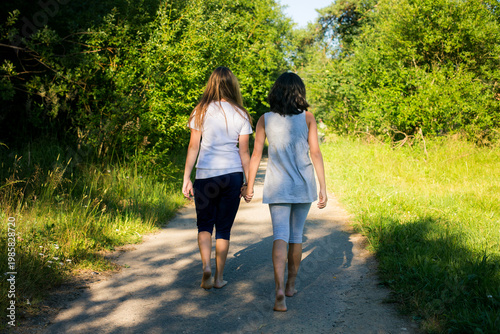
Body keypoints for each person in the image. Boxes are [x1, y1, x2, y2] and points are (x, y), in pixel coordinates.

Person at [244, 72, 327, 311]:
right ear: (299, 93)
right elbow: (316, 153)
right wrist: (323, 187)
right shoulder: (308, 118)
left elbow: (256, 154)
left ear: (276, 93)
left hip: (277, 186)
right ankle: (290, 286)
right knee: (296, 236)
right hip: (303, 185)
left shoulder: (265, 119)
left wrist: (249, 187)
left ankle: (278, 288)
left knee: (280, 234)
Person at [182, 67, 252, 289]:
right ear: (232, 86)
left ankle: (206, 266)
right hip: (231, 176)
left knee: (204, 225)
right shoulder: (241, 114)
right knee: (223, 228)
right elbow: (244, 153)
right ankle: (219, 278)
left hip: (206, 176)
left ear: (211, 84)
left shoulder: (200, 111)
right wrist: (248, 183)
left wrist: (187, 177)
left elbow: (194, 146)